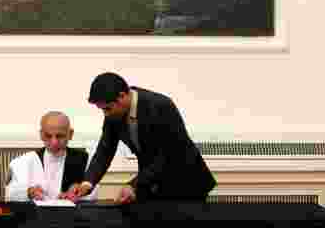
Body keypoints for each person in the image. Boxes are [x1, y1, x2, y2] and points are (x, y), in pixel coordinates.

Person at [65, 73, 215, 204]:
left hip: (186, 182)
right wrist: (87, 184)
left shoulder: (161, 106)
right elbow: (105, 150)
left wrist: (133, 185)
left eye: (107, 108)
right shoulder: (113, 113)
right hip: (152, 181)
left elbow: (168, 155)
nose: (105, 114)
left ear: (122, 96)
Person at [5, 111, 96, 202]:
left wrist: (77, 194)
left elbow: (93, 193)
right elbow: (10, 194)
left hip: (72, 215)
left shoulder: (84, 159)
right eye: (48, 136)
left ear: (70, 134)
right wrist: (29, 192)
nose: (54, 142)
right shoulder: (25, 161)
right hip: (36, 214)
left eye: (60, 136)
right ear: (41, 134)